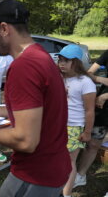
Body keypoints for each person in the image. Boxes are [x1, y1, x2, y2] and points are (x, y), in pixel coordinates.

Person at [0, 0, 72, 197]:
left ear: (3, 29)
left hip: (34, 175)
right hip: (54, 167)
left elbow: (26, 141)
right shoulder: (41, 56)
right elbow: (36, 110)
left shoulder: (24, 67)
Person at [56, 44, 96, 197]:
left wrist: (87, 132)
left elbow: (89, 110)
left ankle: (66, 194)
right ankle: (56, 187)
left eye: (66, 60)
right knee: (57, 159)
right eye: (60, 60)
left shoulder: (85, 82)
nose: (62, 63)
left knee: (69, 162)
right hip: (57, 125)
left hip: (74, 127)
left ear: (77, 62)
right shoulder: (60, 78)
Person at [74, 50, 108, 188]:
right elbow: (88, 74)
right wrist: (101, 79)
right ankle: (80, 175)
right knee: (93, 143)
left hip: (103, 100)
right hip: (102, 108)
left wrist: (105, 96)